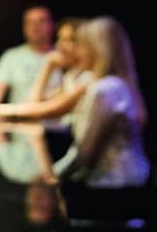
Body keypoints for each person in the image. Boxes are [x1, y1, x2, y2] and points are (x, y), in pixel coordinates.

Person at [52, 17, 149, 188]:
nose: (78, 53)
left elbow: (86, 155)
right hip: (124, 181)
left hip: (114, 185)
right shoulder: (117, 84)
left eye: (82, 46)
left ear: (97, 50)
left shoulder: (106, 89)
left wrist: (52, 175)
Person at [0, 17, 92, 125]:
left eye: (69, 40)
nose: (59, 45)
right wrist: (48, 67)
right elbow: (35, 104)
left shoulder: (87, 79)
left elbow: (45, 110)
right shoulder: (73, 77)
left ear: (86, 44)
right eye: (60, 39)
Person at [0, 6, 59, 105]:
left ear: (53, 25)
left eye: (41, 21)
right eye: (29, 22)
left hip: (57, 114)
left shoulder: (63, 57)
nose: (35, 27)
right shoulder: (11, 57)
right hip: (20, 114)